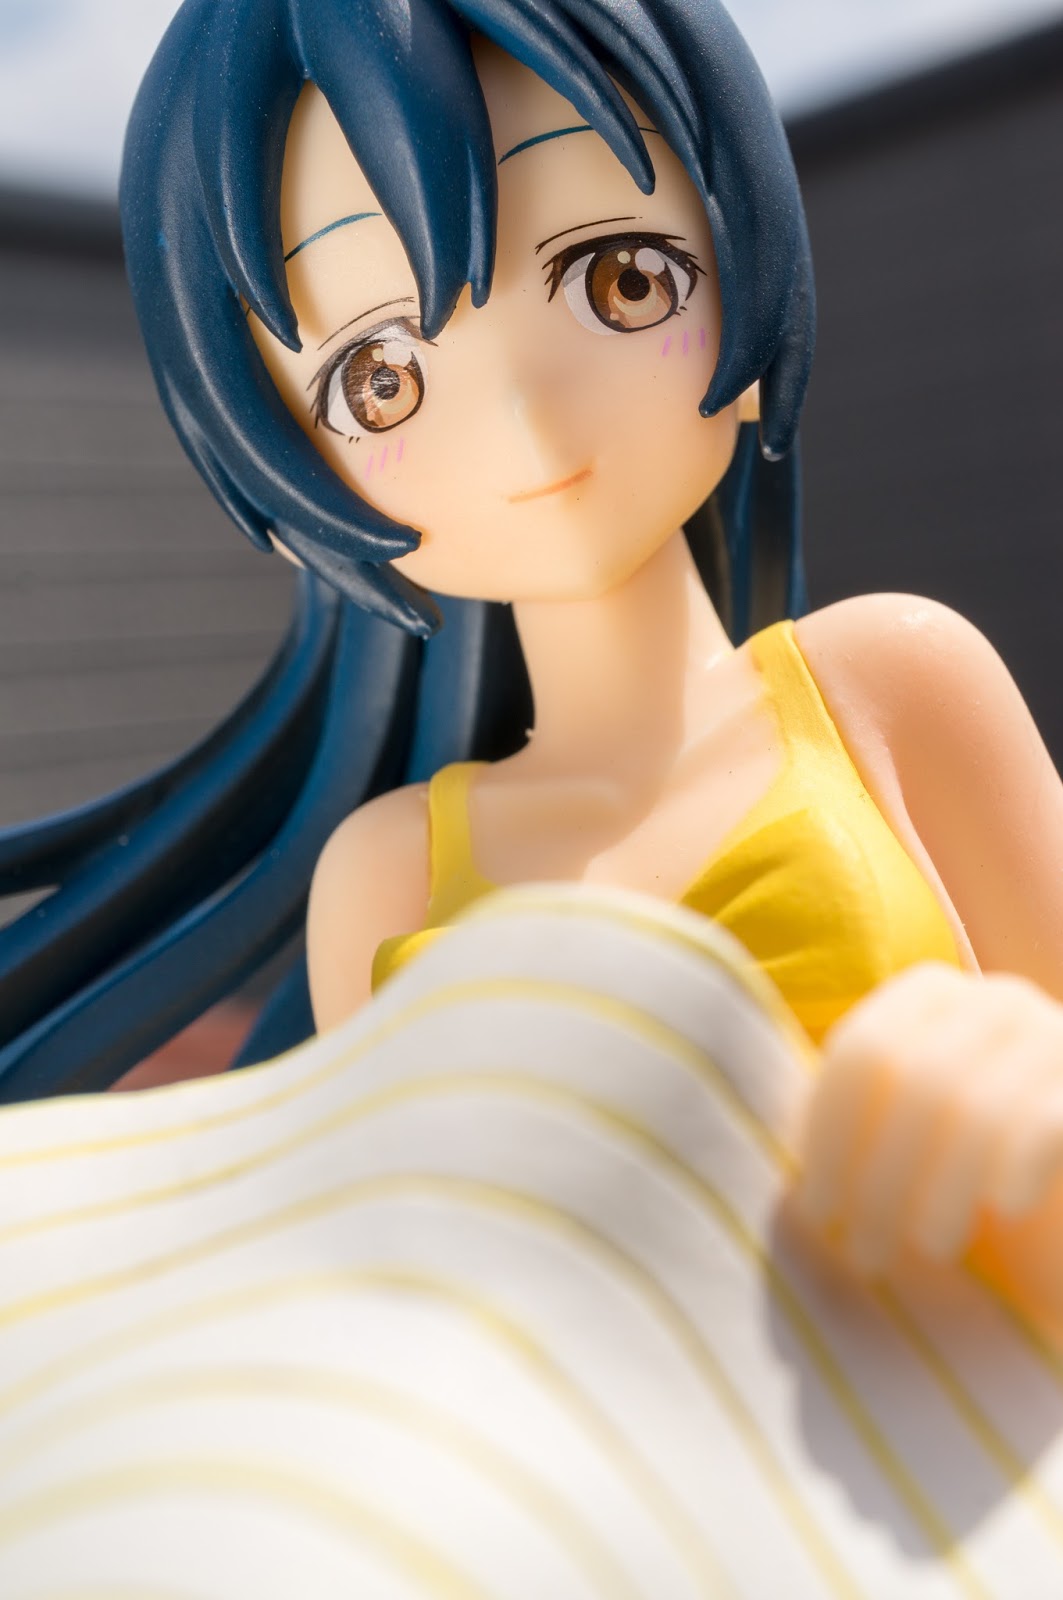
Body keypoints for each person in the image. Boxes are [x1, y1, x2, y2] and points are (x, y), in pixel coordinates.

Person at [3, 0, 1063, 1292]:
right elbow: (394, 1309)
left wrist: (1034, 1096)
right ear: (289, 476)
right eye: (380, 378)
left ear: (743, 245)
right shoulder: (388, 884)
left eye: (623, 277)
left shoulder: (890, 686)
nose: (521, 411)